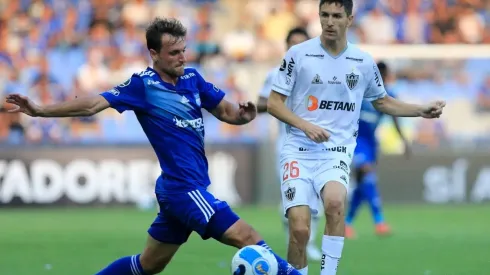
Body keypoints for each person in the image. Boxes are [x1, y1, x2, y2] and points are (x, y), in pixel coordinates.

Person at [6, 18, 304, 275]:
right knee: (248, 237)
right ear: (154, 54)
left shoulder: (193, 79)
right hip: (183, 189)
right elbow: (93, 104)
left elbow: (227, 112)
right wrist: (41, 110)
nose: (182, 58)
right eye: (173, 53)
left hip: (180, 188)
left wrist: (243, 116)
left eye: (183, 50)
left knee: (148, 265)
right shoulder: (143, 86)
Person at [266, 1, 446, 275]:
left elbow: (383, 102)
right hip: (298, 150)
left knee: (336, 203)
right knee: (300, 230)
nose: (329, 22)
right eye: (324, 15)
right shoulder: (298, 55)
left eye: (337, 16)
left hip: (336, 150)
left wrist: (420, 109)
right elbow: (274, 104)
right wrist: (304, 126)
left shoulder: (362, 62)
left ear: (349, 19)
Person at [257, 27, 322, 262]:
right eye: (293, 44)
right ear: (286, 47)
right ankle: (293, 243)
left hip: (318, 145)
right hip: (288, 145)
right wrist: (282, 103)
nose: (297, 49)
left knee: (316, 196)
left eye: (301, 44)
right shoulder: (276, 74)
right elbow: (261, 104)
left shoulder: (320, 74)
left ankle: (310, 242)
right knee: (292, 195)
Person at [345, 61, 411, 239]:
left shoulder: (387, 95)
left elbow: (395, 118)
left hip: (371, 142)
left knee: (362, 183)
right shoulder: (360, 91)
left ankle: (346, 223)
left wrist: (404, 140)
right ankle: (379, 221)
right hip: (356, 141)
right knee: (368, 175)